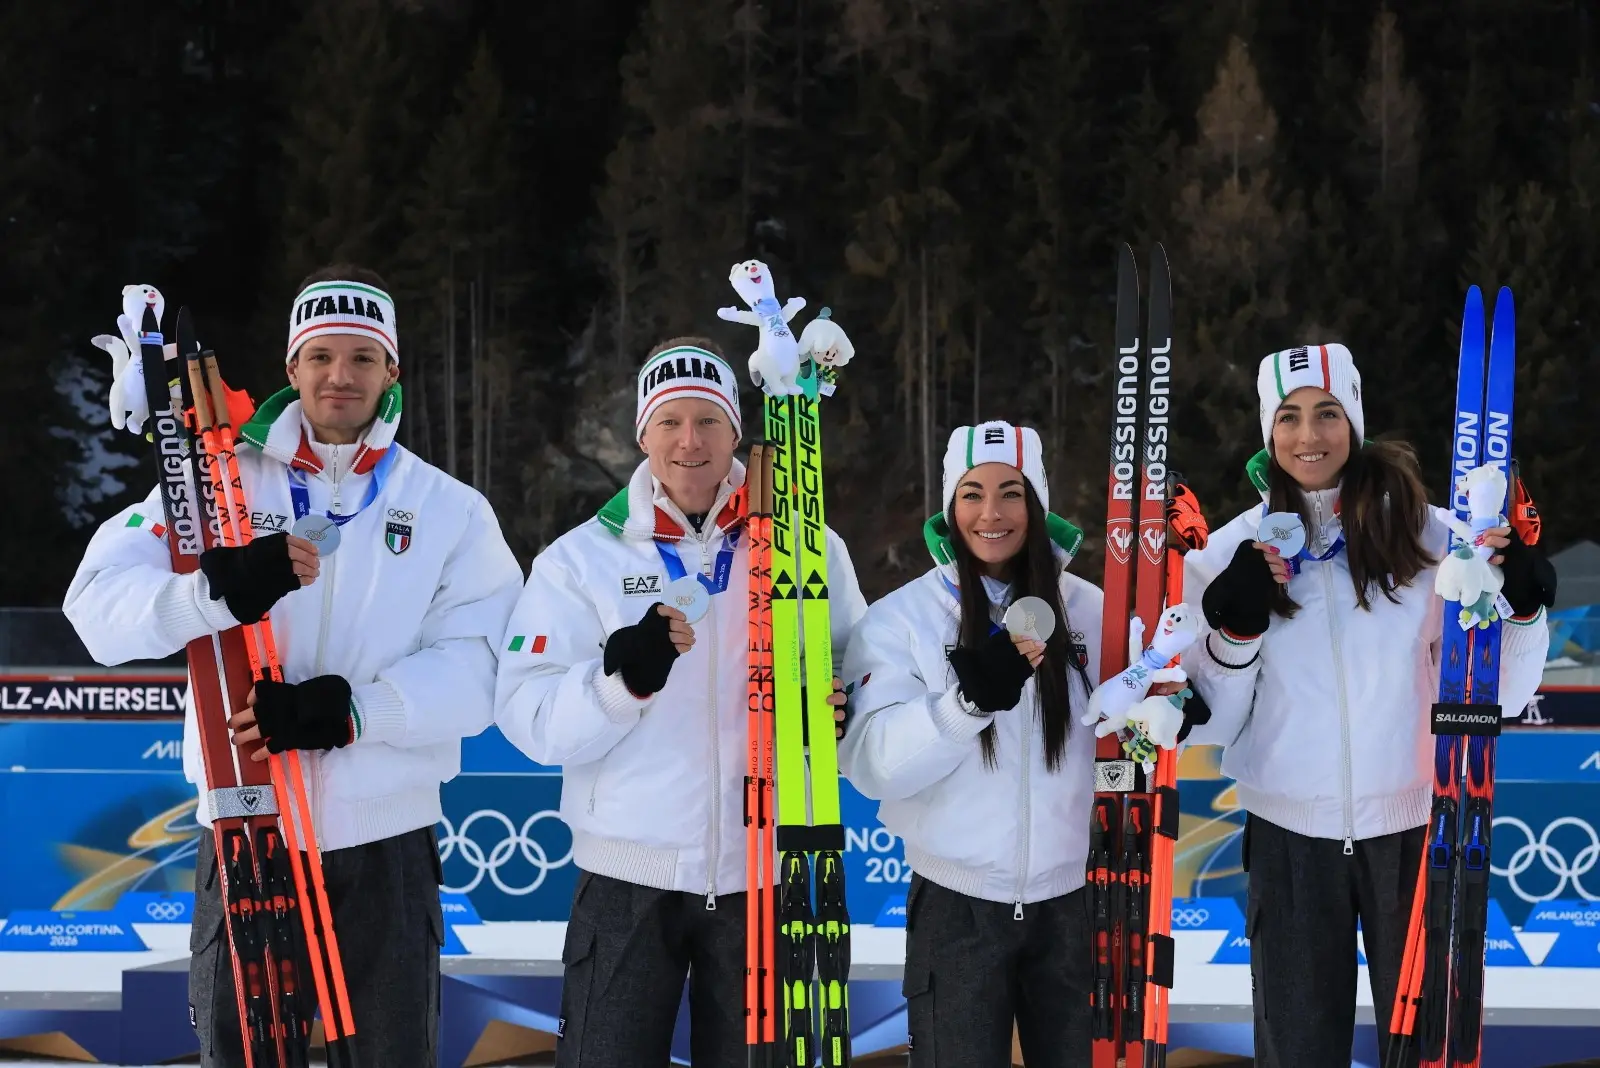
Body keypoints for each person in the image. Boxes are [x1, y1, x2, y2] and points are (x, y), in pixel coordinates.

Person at [63, 266, 524, 1068]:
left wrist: (354, 713)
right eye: (320, 357)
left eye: (360, 357)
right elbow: (97, 610)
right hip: (247, 822)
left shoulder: (451, 507)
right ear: (291, 368)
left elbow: (488, 665)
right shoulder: (216, 480)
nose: (339, 376)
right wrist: (212, 593)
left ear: (391, 373)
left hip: (387, 838)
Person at [493, 337, 867, 1068]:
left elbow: (860, 674)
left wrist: (842, 709)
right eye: (669, 422)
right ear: (642, 433)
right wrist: (617, 684)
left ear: (736, 431)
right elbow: (527, 718)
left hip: (769, 869)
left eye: (708, 421)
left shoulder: (808, 544)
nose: (689, 442)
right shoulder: (580, 560)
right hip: (628, 879)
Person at [1180, 344, 1555, 1068]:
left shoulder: (1433, 537)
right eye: (1288, 417)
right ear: (1268, 432)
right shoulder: (1232, 551)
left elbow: (1500, 695)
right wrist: (1233, 634)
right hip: (1288, 838)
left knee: (1425, 1052)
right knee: (1296, 1053)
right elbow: (1217, 724)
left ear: (1353, 420)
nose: (1308, 435)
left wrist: (1526, 613)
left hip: (1417, 829)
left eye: (1326, 413)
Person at [836, 421, 1192, 1068]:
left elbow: (1140, 732)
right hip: (957, 907)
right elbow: (872, 765)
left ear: (1038, 503)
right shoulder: (902, 620)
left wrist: (1165, 706)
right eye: (971, 494)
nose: (991, 513)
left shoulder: (1095, 612)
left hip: (1076, 903)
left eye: (1011, 492)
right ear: (949, 507)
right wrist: (964, 706)